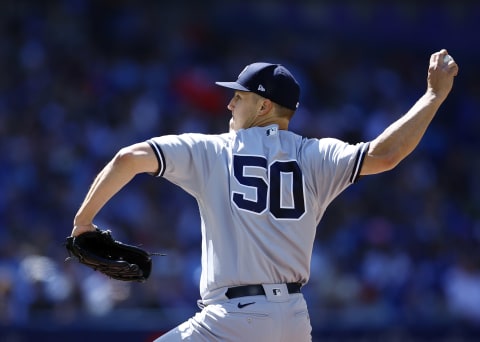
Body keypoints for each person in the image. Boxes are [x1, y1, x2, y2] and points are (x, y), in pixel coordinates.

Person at [71, 49, 458, 341]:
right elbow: (384, 155)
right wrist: (432, 97)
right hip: (292, 319)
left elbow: (128, 157)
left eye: (239, 96)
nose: (230, 102)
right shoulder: (315, 154)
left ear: (264, 105)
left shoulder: (214, 150)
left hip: (231, 320)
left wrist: (83, 222)